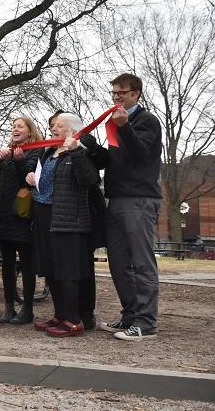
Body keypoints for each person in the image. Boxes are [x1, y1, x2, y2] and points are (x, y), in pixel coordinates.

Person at [100, 73, 163, 341]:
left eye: (121, 93)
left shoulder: (146, 121)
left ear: (136, 93)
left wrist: (125, 127)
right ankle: (130, 315)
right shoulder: (116, 121)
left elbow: (141, 154)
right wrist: (88, 147)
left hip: (138, 199)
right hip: (116, 199)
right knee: (118, 262)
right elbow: (115, 160)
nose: (116, 98)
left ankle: (146, 323)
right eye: (114, 93)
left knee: (141, 262)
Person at [30, 113, 99, 337]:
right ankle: (60, 315)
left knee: (67, 270)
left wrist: (76, 150)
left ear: (73, 130)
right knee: (51, 269)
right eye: (54, 126)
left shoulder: (80, 152)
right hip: (44, 215)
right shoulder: (49, 152)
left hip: (68, 219)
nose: (54, 129)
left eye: (60, 126)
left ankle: (74, 319)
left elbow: (88, 179)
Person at [0, 117, 43, 324]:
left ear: (30, 132)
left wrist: (20, 160)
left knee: (26, 263)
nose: (15, 129)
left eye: (19, 126)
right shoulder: (7, 152)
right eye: (13, 126)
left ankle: (27, 308)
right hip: (4, 213)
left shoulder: (36, 150)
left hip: (23, 215)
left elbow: (29, 177)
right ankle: (8, 306)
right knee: (6, 263)